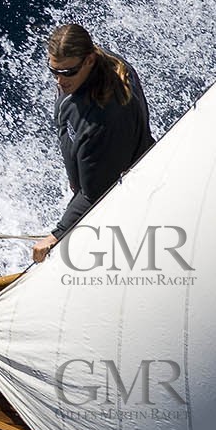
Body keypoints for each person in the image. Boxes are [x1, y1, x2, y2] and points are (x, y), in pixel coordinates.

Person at [32, 23, 155, 263]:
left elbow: (94, 193)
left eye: (67, 72)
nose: (59, 80)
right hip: (99, 171)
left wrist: (56, 235)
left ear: (88, 60)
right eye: (53, 71)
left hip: (123, 190)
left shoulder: (104, 119)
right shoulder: (91, 69)